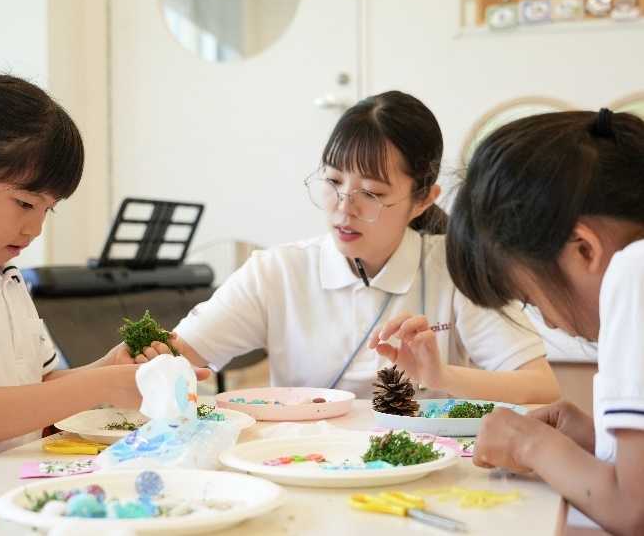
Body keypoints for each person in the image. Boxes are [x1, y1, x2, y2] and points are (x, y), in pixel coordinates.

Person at [147, 91, 559, 403]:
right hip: (302, 465)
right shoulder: (276, 271)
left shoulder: (456, 269)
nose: (344, 209)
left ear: (422, 200)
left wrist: (441, 376)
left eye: (372, 194)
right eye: (332, 182)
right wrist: (146, 365)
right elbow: (175, 355)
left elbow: (540, 387)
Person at [0, 75, 206, 482]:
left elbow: (41, 384)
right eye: (24, 203)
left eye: (47, 209)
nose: (35, 229)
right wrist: (103, 386)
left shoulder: (3, 275)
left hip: (4, 474)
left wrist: (111, 368)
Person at [446, 108, 644, 534]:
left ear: (583, 248)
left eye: (531, 300)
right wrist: (599, 439)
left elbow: (635, 511)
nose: (550, 325)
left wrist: (529, 444)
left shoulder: (635, 270)